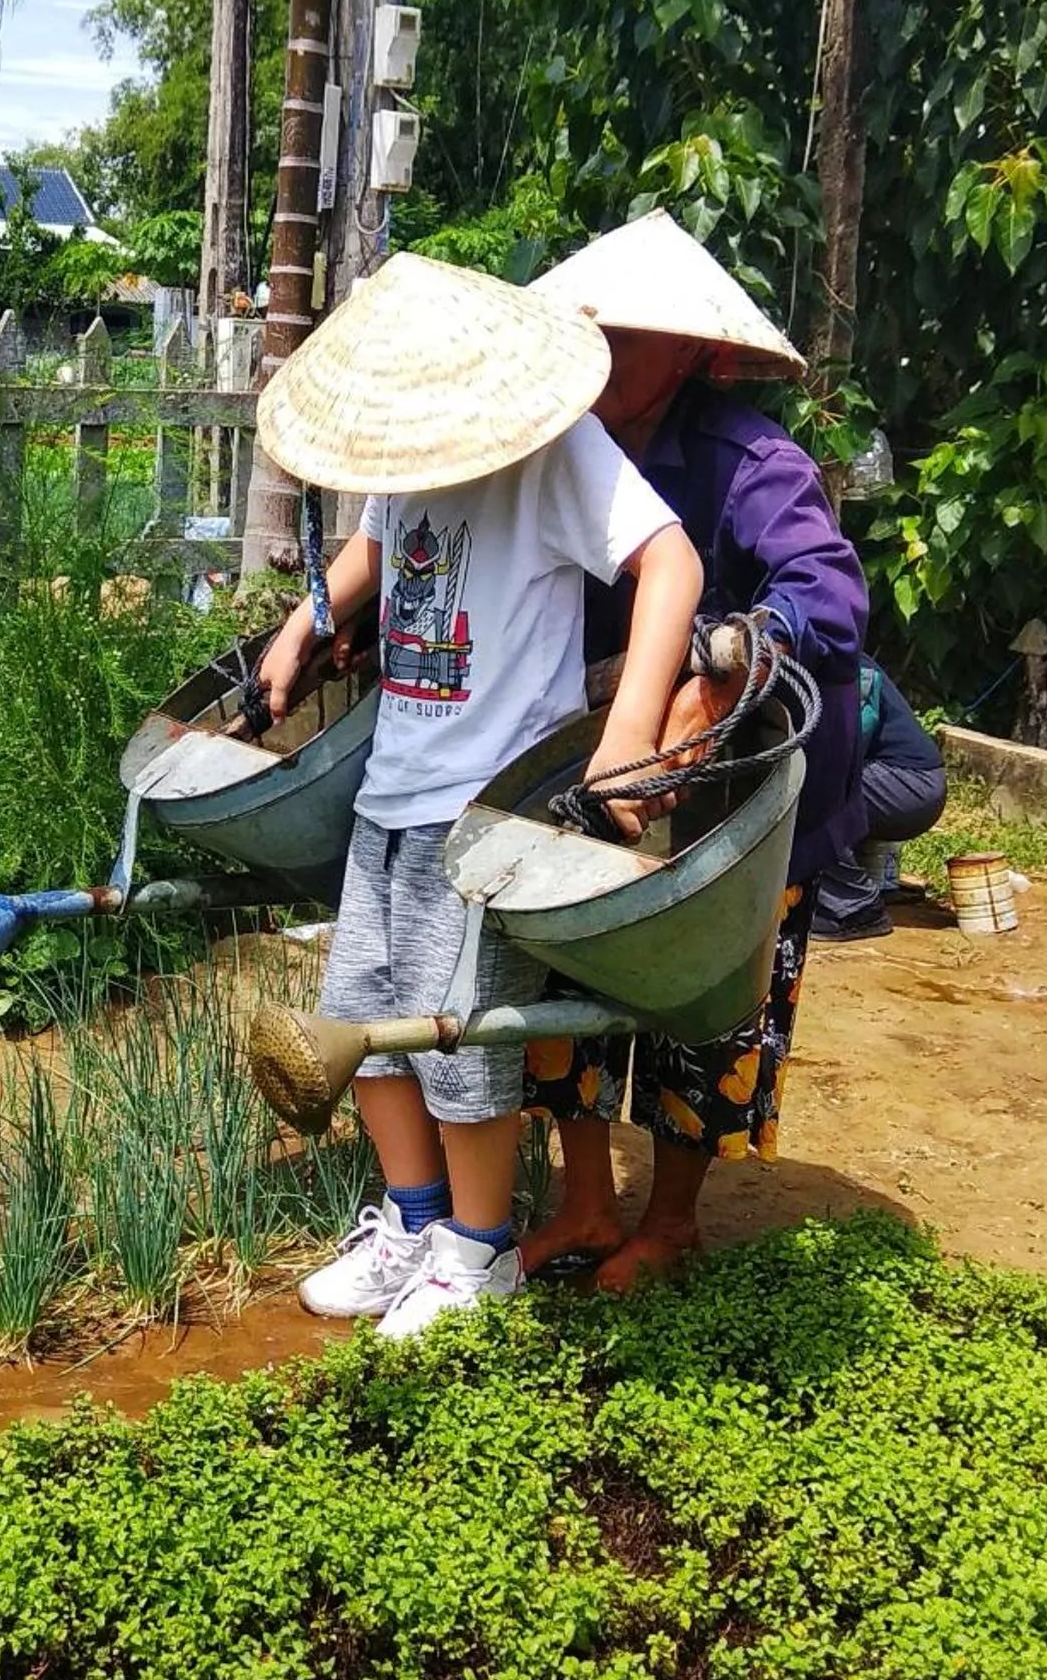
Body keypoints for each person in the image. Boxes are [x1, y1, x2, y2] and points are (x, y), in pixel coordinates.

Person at [252, 250, 703, 1341]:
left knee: (462, 1039)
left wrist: (630, 732)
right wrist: (304, 624)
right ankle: (413, 1224)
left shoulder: (554, 451)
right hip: (392, 790)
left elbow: (671, 562)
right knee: (365, 1023)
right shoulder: (406, 454)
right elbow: (369, 547)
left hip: (490, 805)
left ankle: (479, 1246)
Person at [520, 211, 869, 1295]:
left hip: (750, 778)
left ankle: (670, 1222)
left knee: (715, 996)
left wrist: (722, 658)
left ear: (690, 354)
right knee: (555, 955)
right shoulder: (553, 451)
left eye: (630, 337)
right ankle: (585, 1196)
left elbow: (829, 592)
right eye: (592, 333)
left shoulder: (750, 459)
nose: (605, 356)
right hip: (599, 762)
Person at [812, 665, 946, 941]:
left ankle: (854, 908)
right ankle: (872, 883)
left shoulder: (850, 668)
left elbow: (843, 750)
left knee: (806, 789)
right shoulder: (835, 656)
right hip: (902, 782)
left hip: (910, 786)